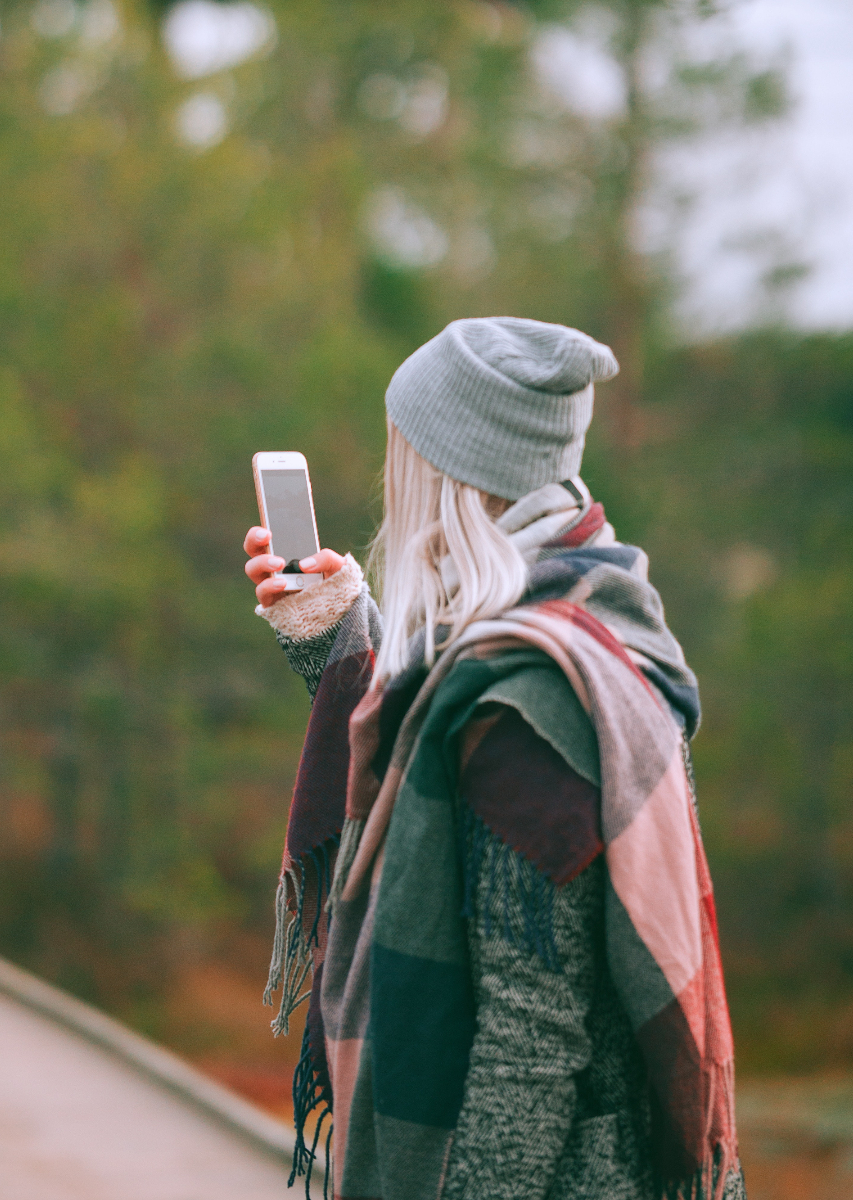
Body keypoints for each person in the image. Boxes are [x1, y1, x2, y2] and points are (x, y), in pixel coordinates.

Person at [244, 318, 745, 1200]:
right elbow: (428, 757)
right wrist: (338, 635)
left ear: (445, 469)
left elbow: (528, 1051)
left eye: (402, 449)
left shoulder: (527, 704)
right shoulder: (591, 607)